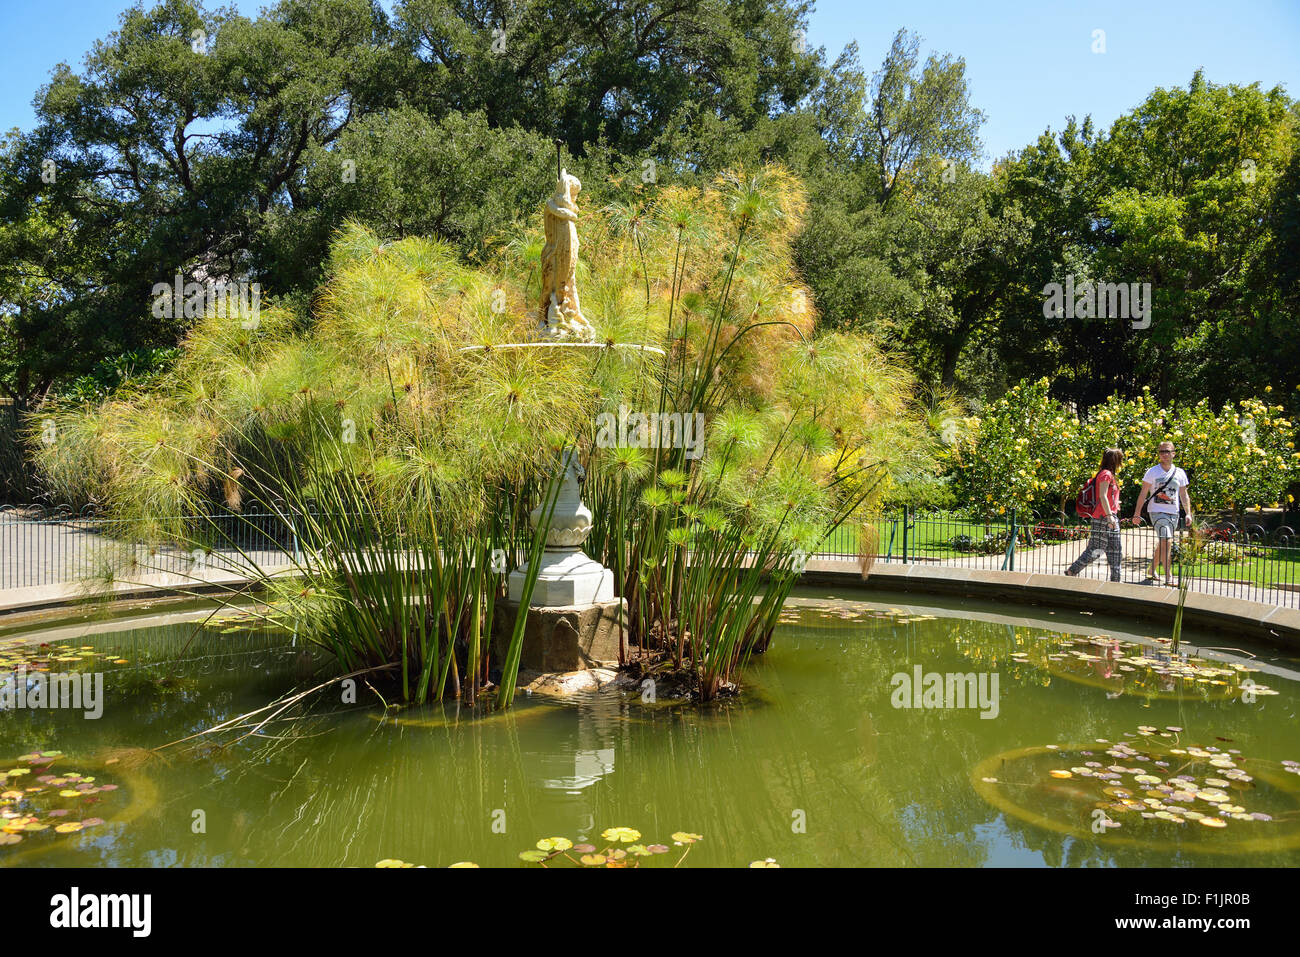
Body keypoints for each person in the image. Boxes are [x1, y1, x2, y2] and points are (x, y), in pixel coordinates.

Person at [1132, 441, 1194, 585]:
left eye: (1167, 451)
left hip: (1174, 513)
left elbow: (1184, 495)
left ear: (1173, 453)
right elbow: (1143, 493)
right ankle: (1168, 577)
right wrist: (1137, 513)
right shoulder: (1152, 471)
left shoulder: (1180, 473)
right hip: (1157, 512)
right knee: (1167, 540)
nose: (1164, 454)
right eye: (1161, 452)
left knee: (1163, 542)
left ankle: (1151, 570)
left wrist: (1188, 513)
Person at [1065, 448, 1124, 582]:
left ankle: (1116, 579)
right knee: (1096, 549)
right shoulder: (1106, 474)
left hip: (1110, 516)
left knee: (1115, 550)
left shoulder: (1109, 475)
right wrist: (1109, 516)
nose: (1121, 463)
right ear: (1115, 460)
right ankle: (1072, 571)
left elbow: (1106, 496)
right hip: (1104, 517)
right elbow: (1102, 496)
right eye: (1120, 460)